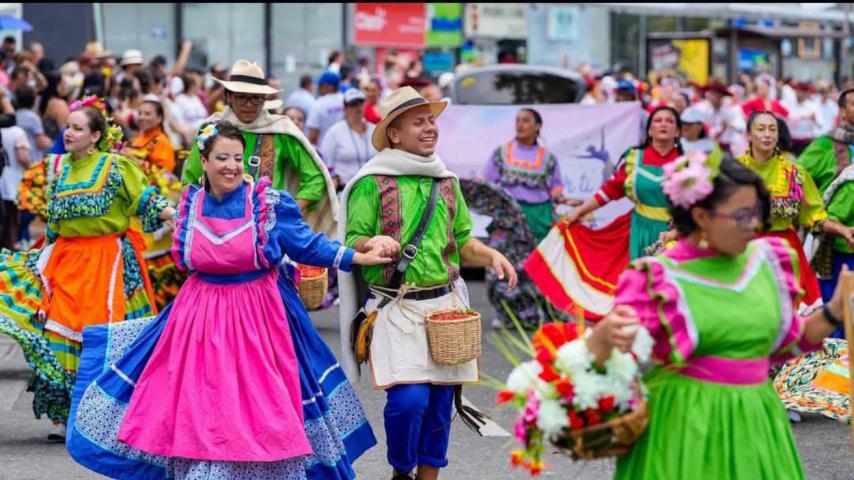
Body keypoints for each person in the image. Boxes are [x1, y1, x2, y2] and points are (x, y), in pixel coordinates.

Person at [66, 120, 386, 480]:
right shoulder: (189, 205)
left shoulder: (266, 204)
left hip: (257, 321)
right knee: (197, 406)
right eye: (222, 157)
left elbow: (309, 245)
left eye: (238, 157)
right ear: (203, 161)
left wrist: (356, 257)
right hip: (197, 321)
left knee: (254, 407)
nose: (232, 165)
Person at [587, 156, 849, 479]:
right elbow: (612, 365)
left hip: (758, 421)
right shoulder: (656, 278)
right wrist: (599, 343)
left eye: (757, 214)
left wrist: (835, 311)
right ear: (700, 216)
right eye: (741, 215)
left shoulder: (767, 262)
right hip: (686, 424)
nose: (754, 225)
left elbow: (787, 344)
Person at [339, 86, 518, 480]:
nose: (429, 128)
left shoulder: (446, 181)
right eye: (418, 122)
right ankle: (402, 472)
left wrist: (490, 255)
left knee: (440, 405)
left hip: (444, 307)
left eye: (432, 120)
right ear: (395, 134)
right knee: (409, 401)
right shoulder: (371, 183)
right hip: (396, 308)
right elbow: (352, 241)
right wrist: (372, 242)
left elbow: (463, 242)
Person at [0, 103, 174, 442]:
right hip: (65, 258)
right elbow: (54, 220)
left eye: (77, 128)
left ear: (95, 136)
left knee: (98, 336)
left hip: (104, 260)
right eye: (67, 126)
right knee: (57, 334)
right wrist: (39, 258)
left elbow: (147, 201)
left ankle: (98, 413)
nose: (68, 133)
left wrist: (181, 216)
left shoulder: (115, 166)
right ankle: (66, 415)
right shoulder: (61, 168)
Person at [181, 59, 339, 236]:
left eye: (255, 98)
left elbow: (315, 178)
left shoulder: (281, 130)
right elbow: (191, 180)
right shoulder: (211, 130)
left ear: (264, 100)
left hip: (267, 232)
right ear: (229, 96)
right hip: (216, 228)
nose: (249, 104)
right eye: (242, 97)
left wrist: (288, 212)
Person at [737, 110, 854, 308]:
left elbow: (816, 217)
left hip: (784, 251)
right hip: (742, 248)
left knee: (791, 316)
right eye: (761, 128)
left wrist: (842, 230)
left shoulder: (794, 173)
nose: (767, 134)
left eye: (772, 129)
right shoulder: (733, 170)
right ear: (748, 135)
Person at [566, 106, 683, 259]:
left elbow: (699, 206)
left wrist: (679, 230)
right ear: (649, 130)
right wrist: (578, 212)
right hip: (640, 230)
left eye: (669, 121)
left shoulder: (688, 163)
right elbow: (609, 191)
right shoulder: (634, 159)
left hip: (676, 232)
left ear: (677, 131)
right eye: (658, 120)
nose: (663, 124)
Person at [797, 88, 854, 323]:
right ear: (841, 111)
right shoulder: (825, 144)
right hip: (838, 247)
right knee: (836, 319)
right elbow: (795, 179)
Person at [483, 108, 572, 242]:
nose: (520, 125)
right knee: (503, 258)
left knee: (535, 259)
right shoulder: (501, 153)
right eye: (517, 120)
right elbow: (487, 183)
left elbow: (555, 187)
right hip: (508, 213)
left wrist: (563, 199)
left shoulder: (548, 158)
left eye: (525, 121)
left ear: (538, 126)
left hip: (539, 215)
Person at [319, 88, 376, 191]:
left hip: (373, 189)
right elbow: (325, 164)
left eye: (360, 103)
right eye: (353, 104)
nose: (358, 107)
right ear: (345, 109)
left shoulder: (374, 130)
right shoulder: (334, 132)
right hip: (345, 190)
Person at [122, 99, 176, 173]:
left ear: (159, 118)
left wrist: (133, 159)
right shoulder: (135, 138)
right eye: (140, 113)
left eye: (147, 114)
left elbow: (163, 175)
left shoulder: (162, 141)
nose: (141, 117)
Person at [0, 124, 31, 249]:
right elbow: (22, 157)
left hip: (3, 179)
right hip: (12, 183)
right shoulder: (17, 131)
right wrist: (34, 168)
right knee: (11, 221)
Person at [695, 82, 746, 156]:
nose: (715, 98)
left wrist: (730, 125)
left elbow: (741, 126)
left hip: (725, 147)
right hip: (705, 146)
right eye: (713, 94)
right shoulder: (702, 110)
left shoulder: (728, 111)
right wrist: (721, 129)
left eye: (718, 96)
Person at [783, 82, 826, 156]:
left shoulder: (813, 106)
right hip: (790, 141)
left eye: (801, 91)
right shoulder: (788, 104)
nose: (799, 93)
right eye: (797, 91)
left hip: (805, 141)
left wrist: (814, 118)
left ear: (806, 93)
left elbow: (821, 124)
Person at [307, 71, 345, 146]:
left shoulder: (318, 104)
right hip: (345, 148)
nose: (319, 87)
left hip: (324, 151)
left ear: (329, 87)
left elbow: (313, 135)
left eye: (321, 85)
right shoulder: (346, 100)